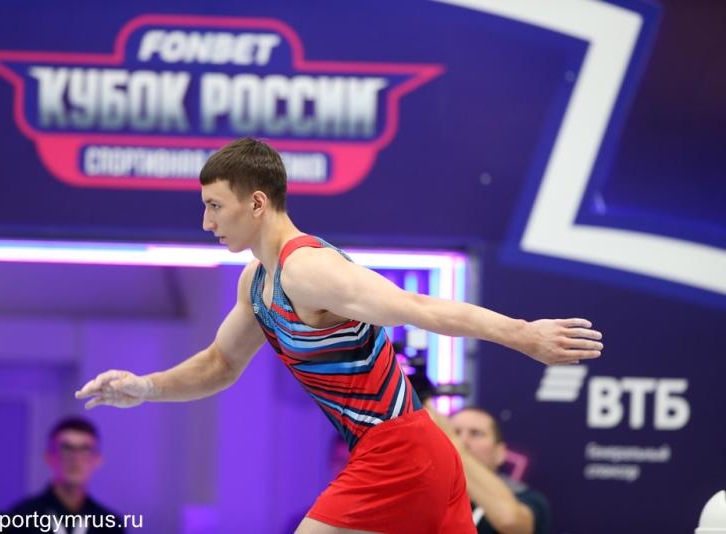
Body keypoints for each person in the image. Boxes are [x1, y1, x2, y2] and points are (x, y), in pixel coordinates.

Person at [75, 137, 603, 534]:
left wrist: (524, 335)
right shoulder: (257, 282)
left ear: (256, 203)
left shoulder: (309, 270)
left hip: (400, 453)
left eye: (214, 206)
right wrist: (145, 387)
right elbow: (219, 364)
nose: (206, 222)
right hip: (411, 452)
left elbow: (417, 307)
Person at [426, 405, 550, 534]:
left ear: (499, 453)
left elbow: (511, 521)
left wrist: (455, 448)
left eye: (476, 433)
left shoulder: (528, 499)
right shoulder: (433, 497)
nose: (463, 441)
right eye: (456, 432)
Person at [3, 417, 124, 533]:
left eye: (85, 449)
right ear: (49, 457)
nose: (75, 458)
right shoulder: (21, 520)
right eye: (66, 448)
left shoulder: (109, 526)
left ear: (97, 460)